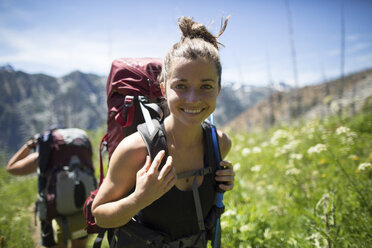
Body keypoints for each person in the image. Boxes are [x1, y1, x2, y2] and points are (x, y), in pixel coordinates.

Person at [92, 16, 234, 247]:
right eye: (180, 86)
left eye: (206, 86)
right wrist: (139, 199)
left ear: (219, 89)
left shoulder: (219, 145)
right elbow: (99, 214)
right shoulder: (135, 150)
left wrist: (221, 183)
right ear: (163, 89)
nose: (193, 99)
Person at [7, 136, 89, 248]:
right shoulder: (80, 152)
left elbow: (11, 168)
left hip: (51, 211)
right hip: (79, 207)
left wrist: (29, 145)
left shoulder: (45, 154)